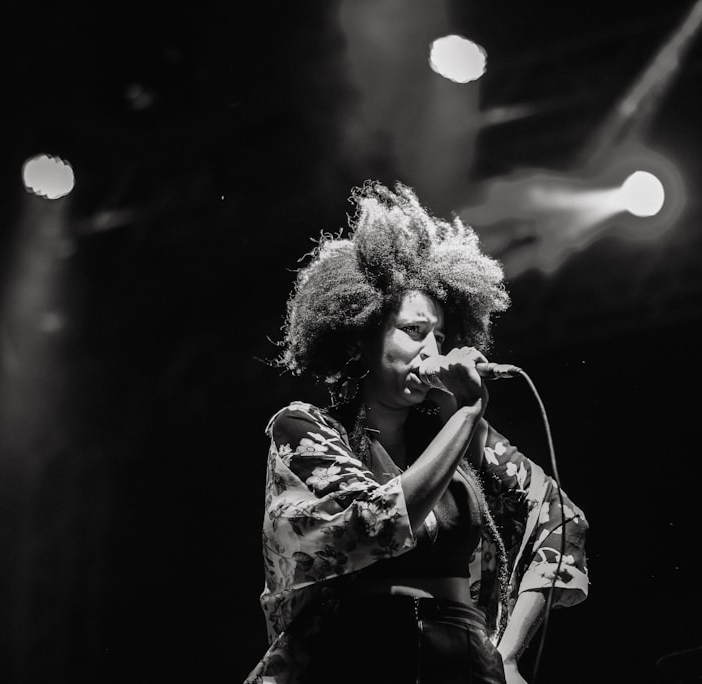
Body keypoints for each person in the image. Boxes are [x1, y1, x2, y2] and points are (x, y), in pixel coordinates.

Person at [245, 182, 590, 684]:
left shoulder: (461, 436)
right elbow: (372, 525)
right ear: (362, 335)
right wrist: (465, 416)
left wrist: (508, 652)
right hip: (359, 661)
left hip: (463, 664)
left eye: (442, 336)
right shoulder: (304, 430)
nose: (432, 350)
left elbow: (560, 520)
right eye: (413, 331)